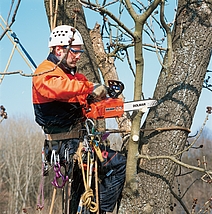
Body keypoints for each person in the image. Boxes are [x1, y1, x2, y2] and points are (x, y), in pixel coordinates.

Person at [32, 25, 126, 214]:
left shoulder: (72, 77)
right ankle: (101, 211)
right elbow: (57, 88)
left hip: (76, 143)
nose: (78, 56)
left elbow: (81, 101)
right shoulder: (45, 73)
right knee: (118, 164)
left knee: (81, 189)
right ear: (59, 49)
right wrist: (89, 87)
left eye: (79, 51)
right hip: (65, 147)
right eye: (75, 51)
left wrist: (99, 97)